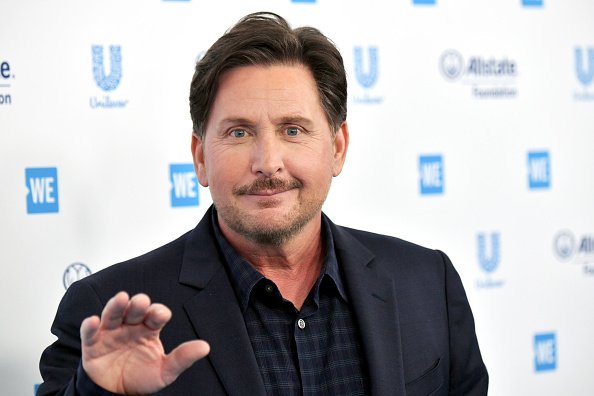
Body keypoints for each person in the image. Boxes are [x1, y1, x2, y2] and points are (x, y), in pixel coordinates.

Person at [38, 12, 488, 396]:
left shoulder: (428, 282)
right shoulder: (105, 314)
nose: (267, 163)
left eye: (293, 130)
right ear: (200, 158)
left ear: (337, 147)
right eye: (239, 132)